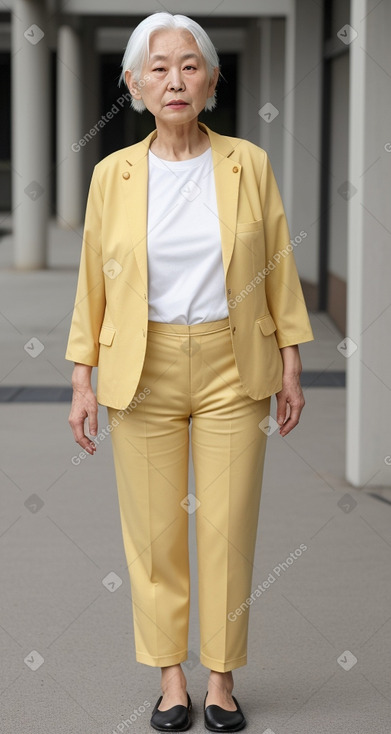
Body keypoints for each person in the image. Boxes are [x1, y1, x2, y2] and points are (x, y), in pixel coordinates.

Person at [65, 11, 314, 732]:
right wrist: (82, 380)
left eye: (189, 64)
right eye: (158, 67)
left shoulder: (247, 162)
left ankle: (222, 679)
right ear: (133, 86)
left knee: (228, 528)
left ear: (210, 79)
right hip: (139, 368)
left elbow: (277, 268)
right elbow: (92, 283)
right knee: (153, 534)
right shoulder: (112, 175)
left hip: (232, 363)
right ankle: (171, 678)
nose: (174, 79)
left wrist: (291, 363)